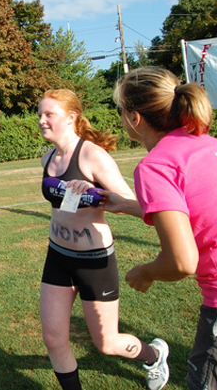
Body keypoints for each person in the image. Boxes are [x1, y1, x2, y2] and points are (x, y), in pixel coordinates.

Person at [100, 66, 217, 390]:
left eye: (120, 110)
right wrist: (126, 205)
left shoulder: (155, 165)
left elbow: (181, 262)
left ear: (134, 118)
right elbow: (198, 209)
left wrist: (144, 273)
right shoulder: (206, 144)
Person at [37, 89, 169, 390]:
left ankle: (153, 354)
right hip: (57, 255)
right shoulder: (47, 158)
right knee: (54, 339)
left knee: (107, 343)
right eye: (40, 115)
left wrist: (94, 191)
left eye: (49, 115)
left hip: (93, 261)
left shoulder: (92, 155)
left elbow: (130, 201)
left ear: (71, 117)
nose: (42, 121)